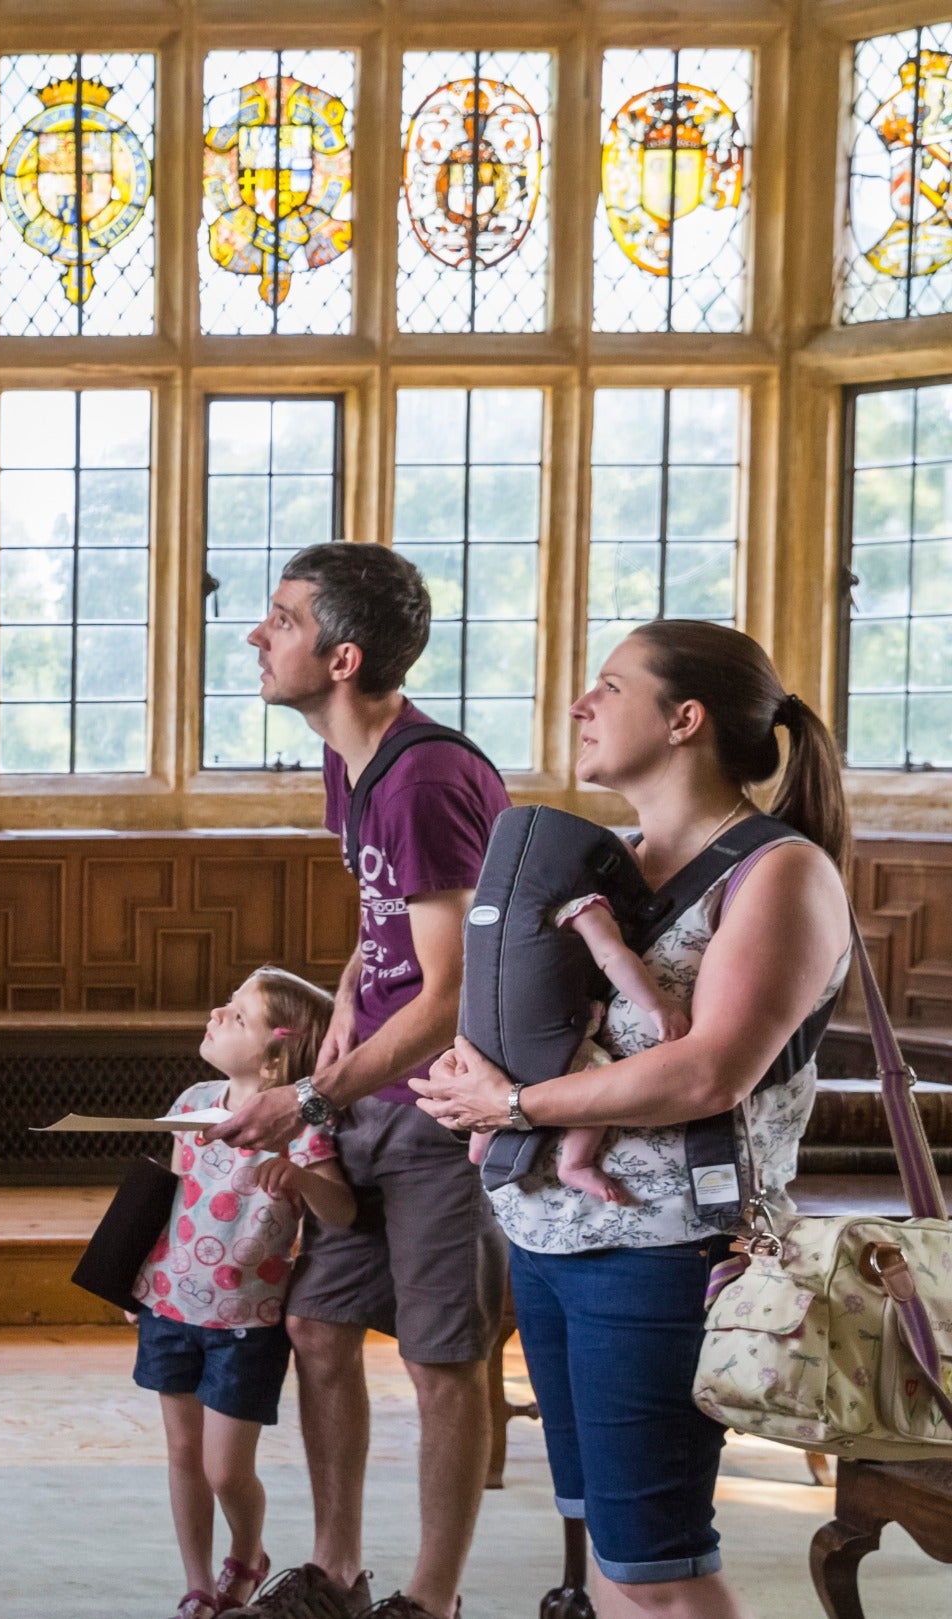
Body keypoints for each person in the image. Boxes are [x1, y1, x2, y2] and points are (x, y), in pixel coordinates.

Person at [416, 623, 854, 1619]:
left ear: (684, 718)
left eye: (608, 686)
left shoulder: (778, 870)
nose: (580, 704)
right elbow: (529, 1017)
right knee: (613, 1557)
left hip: (667, 1248)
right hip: (551, 1234)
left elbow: (708, 1069)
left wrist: (515, 1103)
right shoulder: (598, 859)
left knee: (660, 1570)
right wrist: (471, 1068)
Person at [210, 543, 512, 1619]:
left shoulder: (430, 775)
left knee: (441, 1360)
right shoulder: (354, 762)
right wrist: (339, 1012)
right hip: (363, 1093)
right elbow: (385, 929)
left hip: (436, 1110)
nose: (256, 634)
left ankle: (430, 1600)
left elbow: (452, 993)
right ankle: (335, 1577)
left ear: (341, 657)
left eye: (280, 619)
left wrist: (313, 1097)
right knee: (320, 1327)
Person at [139, 968, 359, 1619]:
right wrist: (135, 1274)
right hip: (170, 1305)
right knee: (183, 1452)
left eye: (237, 1015)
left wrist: (298, 1174)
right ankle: (199, 1582)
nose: (216, 1012)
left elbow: (343, 1210)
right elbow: (166, 1193)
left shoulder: (300, 1124)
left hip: (245, 1321)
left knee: (225, 1469)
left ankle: (248, 1552)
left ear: (275, 1050)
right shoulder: (194, 1100)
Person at [465, 893, 692, 1207]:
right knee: (595, 1079)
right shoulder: (579, 904)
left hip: (490, 1034)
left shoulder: (493, 907)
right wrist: (657, 1005)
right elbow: (611, 956)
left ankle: (481, 1143)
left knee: (492, 1081)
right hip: (552, 1034)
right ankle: (576, 1162)